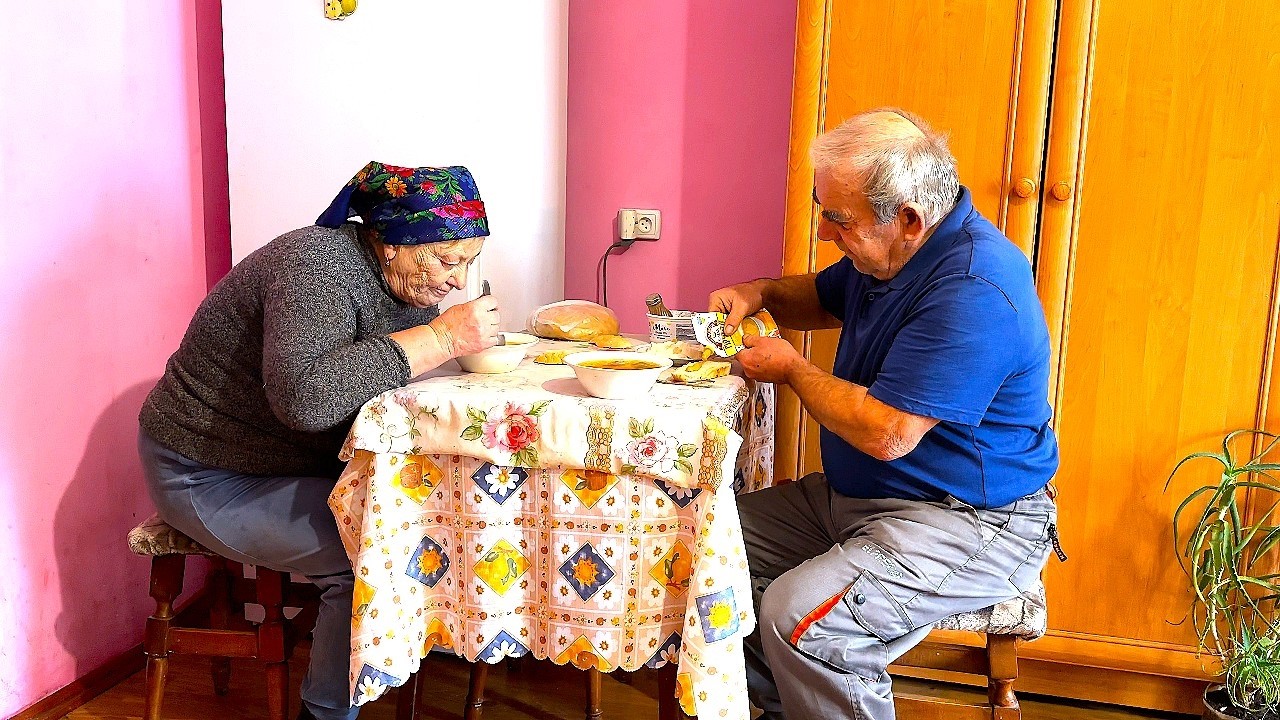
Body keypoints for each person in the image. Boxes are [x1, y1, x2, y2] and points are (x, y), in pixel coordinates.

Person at [710, 109, 1060, 719]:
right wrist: (759, 292)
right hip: (863, 500)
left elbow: (887, 432)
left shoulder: (974, 287)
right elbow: (818, 295)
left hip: (970, 521)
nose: (825, 232)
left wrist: (793, 369)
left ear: (907, 219)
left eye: (837, 219)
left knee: (801, 618)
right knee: (711, 548)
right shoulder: (891, 255)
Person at [138, 161, 500, 720]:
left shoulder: (399, 280)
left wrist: (436, 338)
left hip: (286, 463)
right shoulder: (316, 264)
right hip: (206, 472)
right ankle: (325, 714)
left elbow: (367, 376)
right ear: (390, 243)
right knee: (370, 551)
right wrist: (441, 336)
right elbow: (306, 399)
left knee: (432, 513)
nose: (457, 281)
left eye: (468, 263)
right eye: (449, 261)